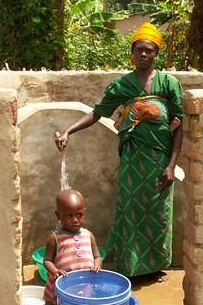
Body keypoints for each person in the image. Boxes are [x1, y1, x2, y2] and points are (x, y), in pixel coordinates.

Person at [55, 22, 184, 283]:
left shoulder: (168, 83)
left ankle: (154, 266)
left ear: (156, 53)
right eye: (139, 50)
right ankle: (131, 267)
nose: (144, 55)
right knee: (130, 211)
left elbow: (179, 125)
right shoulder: (122, 86)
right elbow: (97, 112)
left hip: (160, 158)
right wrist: (69, 131)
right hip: (133, 160)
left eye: (149, 50)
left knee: (159, 213)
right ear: (132, 53)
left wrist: (171, 166)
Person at [42, 189, 102, 305]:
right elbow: (47, 260)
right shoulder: (55, 238)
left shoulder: (88, 235)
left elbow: (97, 256)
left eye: (79, 215)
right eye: (69, 216)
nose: (75, 220)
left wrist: (97, 266)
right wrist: (54, 270)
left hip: (84, 286)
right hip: (63, 289)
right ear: (58, 215)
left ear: (84, 212)